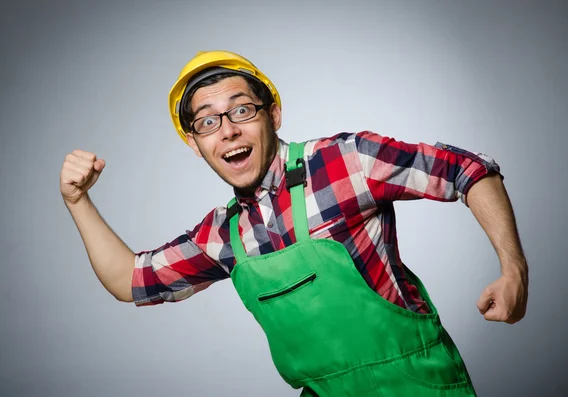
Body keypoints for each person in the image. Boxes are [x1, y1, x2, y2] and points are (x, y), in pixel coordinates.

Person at [60, 51, 528, 396]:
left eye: (241, 110)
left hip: (417, 385)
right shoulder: (222, 236)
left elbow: (468, 169)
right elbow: (131, 280)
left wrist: (514, 271)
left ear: (273, 114)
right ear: (194, 143)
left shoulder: (345, 162)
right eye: (207, 122)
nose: (227, 130)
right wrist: (77, 201)